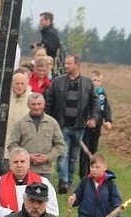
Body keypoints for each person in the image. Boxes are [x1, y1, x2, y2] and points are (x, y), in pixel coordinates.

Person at [44, 55, 99, 193]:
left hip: (79, 126)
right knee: (63, 154)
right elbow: (49, 101)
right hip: (61, 125)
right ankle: (63, 182)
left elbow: (94, 102)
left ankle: (69, 180)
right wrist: (49, 120)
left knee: (73, 156)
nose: (66, 66)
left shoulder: (87, 83)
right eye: (65, 63)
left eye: (69, 63)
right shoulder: (57, 82)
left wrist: (93, 118)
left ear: (77, 65)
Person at [6, 93, 65, 178]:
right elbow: (12, 145)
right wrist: (26, 156)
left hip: (46, 171)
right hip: (26, 171)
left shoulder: (52, 123)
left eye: (39, 104)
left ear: (44, 105)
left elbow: (60, 145)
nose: (36, 107)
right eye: (33, 104)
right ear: (28, 105)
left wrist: (48, 157)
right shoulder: (20, 123)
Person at [79, 70, 113, 178]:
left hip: (97, 125)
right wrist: (87, 119)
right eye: (94, 80)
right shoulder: (85, 92)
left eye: (98, 81)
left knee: (94, 149)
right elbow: (83, 107)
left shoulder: (102, 95)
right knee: (85, 150)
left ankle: (93, 171)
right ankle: (84, 173)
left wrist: (108, 120)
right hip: (86, 125)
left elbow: (105, 108)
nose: (96, 83)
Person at [3, 69, 32, 165]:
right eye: (17, 83)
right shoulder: (4, 98)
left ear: (27, 83)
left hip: (26, 143)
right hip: (6, 142)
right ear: (12, 84)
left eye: (22, 83)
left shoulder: (32, 99)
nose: (19, 86)